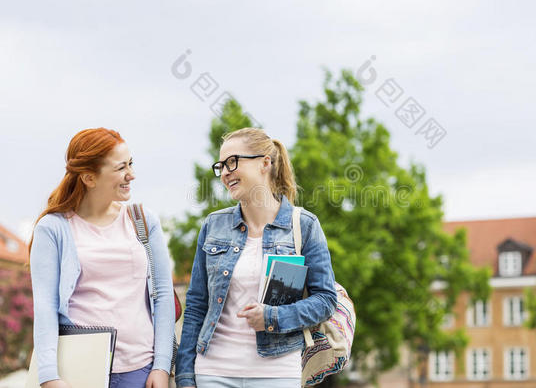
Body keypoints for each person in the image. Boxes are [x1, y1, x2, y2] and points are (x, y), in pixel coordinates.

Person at [175, 127, 337, 388]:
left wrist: (273, 318)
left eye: (232, 162)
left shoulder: (304, 225)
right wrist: (185, 377)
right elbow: (196, 307)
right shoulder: (213, 226)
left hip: (276, 372)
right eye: (221, 166)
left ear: (264, 163)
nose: (225, 172)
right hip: (213, 371)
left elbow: (326, 300)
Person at [29, 128, 175, 388]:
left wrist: (162, 365)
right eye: (120, 168)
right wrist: (49, 376)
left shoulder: (142, 221)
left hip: (140, 372)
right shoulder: (53, 229)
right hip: (79, 373)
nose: (131, 174)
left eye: (130, 164)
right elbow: (45, 307)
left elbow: (163, 294)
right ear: (89, 177)